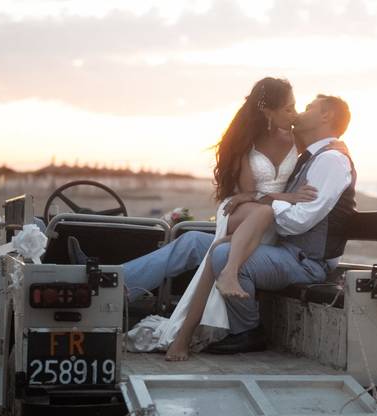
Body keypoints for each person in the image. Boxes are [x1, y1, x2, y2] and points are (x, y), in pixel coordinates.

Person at [124, 77, 319, 358]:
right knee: (258, 215)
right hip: (243, 211)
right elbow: (249, 193)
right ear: (267, 111)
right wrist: (283, 198)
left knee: (199, 243)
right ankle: (115, 284)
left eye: (295, 107)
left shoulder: (295, 138)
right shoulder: (245, 144)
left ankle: (124, 284)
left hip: (271, 216)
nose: (294, 113)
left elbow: (323, 149)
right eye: (288, 108)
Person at [202, 93, 356, 353]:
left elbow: (299, 222)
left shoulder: (331, 159)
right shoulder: (313, 157)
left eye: (309, 107)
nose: (300, 112)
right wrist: (279, 202)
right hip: (292, 253)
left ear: (326, 115)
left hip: (309, 261)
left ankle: (249, 331)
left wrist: (269, 203)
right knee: (215, 249)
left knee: (225, 256)